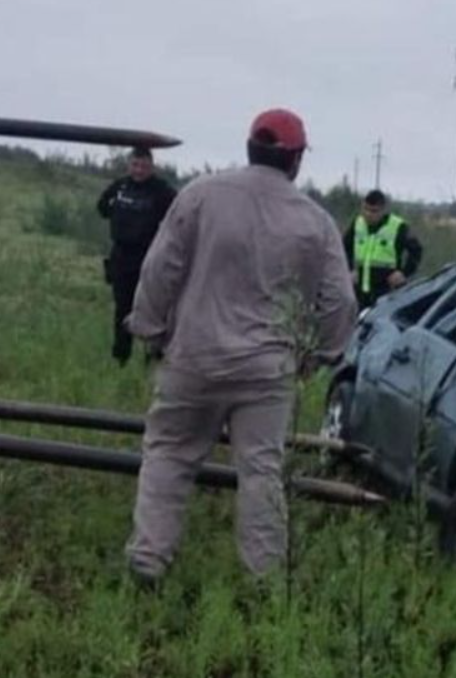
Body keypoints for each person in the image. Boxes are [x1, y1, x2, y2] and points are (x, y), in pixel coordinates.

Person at [123, 108, 357, 584]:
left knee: (169, 454)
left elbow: (160, 267)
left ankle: (147, 564)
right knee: (261, 472)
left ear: (250, 147)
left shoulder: (200, 195)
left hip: (193, 355)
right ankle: (265, 581)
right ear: (295, 160)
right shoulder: (315, 222)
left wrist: (151, 328)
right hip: (268, 371)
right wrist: (319, 355)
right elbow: (341, 301)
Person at [96, 147, 176, 366]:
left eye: (143, 166)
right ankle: (120, 357)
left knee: (152, 308)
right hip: (121, 256)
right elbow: (102, 207)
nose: (139, 170)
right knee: (123, 309)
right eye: (135, 165)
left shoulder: (161, 191)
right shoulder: (120, 186)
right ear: (128, 165)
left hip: (149, 257)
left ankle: (153, 356)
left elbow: (178, 216)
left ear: (151, 167)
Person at [342, 190, 423, 308]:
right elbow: (344, 248)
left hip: (387, 291)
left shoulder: (398, 226)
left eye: (374, 211)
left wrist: (404, 273)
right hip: (360, 292)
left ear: (383, 210)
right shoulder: (357, 224)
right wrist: (349, 270)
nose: (368, 214)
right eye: (365, 209)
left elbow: (416, 250)